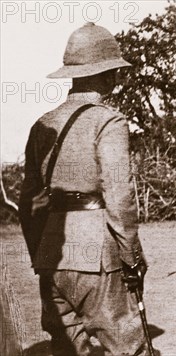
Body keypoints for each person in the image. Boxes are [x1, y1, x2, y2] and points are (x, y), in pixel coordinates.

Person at [18, 23, 152, 355]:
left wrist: (42, 254)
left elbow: (28, 201)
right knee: (126, 347)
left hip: (52, 255)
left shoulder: (43, 124)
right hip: (98, 258)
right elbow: (119, 195)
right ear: (107, 75)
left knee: (66, 349)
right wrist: (132, 257)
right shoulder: (109, 121)